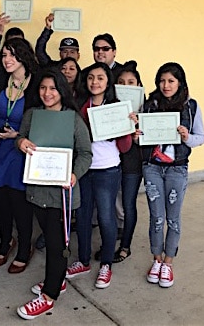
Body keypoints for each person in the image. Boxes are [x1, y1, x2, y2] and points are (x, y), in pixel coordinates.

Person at [14, 69, 93, 319]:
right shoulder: (32, 115)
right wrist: (20, 142)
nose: (47, 93)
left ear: (62, 90)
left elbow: (86, 154)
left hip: (63, 194)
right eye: (43, 88)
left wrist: (74, 175)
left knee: (57, 245)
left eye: (53, 88)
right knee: (50, 237)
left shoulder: (72, 119)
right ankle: (57, 280)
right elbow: (21, 137)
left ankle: (48, 296)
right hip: (37, 191)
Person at [138, 62, 204, 288]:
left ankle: (168, 262)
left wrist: (187, 137)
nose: (165, 86)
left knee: (173, 218)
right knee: (156, 217)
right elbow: (141, 138)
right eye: (162, 80)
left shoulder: (190, 106)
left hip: (177, 168)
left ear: (180, 83)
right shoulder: (150, 105)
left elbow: (201, 137)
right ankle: (156, 260)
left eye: (171, 81)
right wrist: (138, 135)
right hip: (153, 167)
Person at [66, 62, 132, 289]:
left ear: (108, 82)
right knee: (82, 216)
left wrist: (128, 127)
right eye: (91, 77)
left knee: (105, 217)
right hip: (83, 169)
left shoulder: (117, 107)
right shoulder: (78, 105)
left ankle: (106, 263)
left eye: (100, 78)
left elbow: (124, 147)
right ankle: (83, 260)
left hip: (108, 170)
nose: (95, 82)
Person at [0, 38, 39, 274]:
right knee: (0, 201)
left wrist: (18, 135)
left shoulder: (36, 84)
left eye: (11, 55)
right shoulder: (0, 79)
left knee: (20, 203)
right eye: (4, 55)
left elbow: (42, 120)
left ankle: (24, 246)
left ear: (23, 56)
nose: (6, 59)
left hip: (21, 151)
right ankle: (6, 240)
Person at [114, 61, 144, 263]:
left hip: (133, 163)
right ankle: (113, 238)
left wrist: (138, 132)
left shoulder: (149, 108)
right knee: (112, 204)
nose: (126, 86)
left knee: (128, 203)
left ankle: (125, 246)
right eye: (121, 82)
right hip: (112, 162)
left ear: (139, 85)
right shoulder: (109, 107)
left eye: (131, 82)